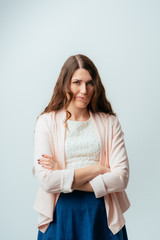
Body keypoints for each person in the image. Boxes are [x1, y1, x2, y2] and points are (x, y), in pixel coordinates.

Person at [33, 54, 130, 240]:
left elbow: (121, 178)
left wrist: (62, 173)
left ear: (96, 86)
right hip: (60, 214)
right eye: (77, 82)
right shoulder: (46, 122)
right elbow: (46, 180)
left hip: (102, 213)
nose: (84, 90)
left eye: (90, 83)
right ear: (65, 84)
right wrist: (98, 169)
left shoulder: (110, 122)